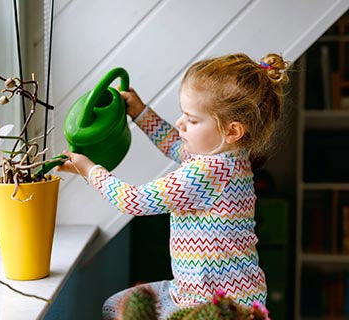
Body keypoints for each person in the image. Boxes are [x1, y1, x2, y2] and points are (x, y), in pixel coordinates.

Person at [57, 53, 289, 319]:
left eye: (191, 119)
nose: (181, 123)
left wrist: (88, 169)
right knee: (115, 307)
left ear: (232, 131)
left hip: (219, 306)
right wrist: (141, 112)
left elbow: (134, 201)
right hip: (199, 293)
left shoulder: (207, 171)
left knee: (115, 309)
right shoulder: (228, 156)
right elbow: (176, 146)